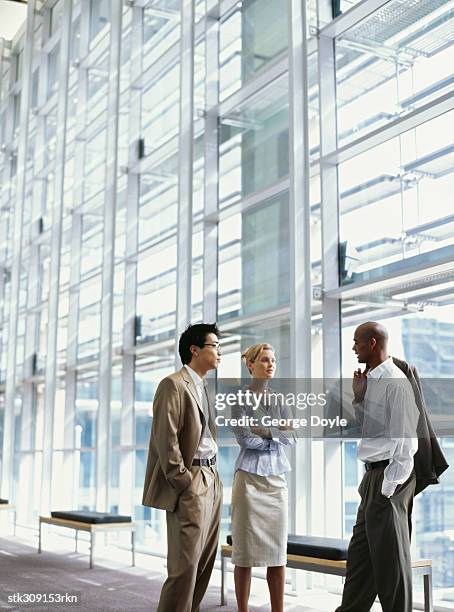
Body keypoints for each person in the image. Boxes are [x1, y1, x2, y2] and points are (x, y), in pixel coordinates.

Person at [336, 322, 419, 612]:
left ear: (372, 344)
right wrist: (359, 396)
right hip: (372, 477)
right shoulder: (372, 381)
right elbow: (371, 429)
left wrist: (387, 487)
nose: (353, 347)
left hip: (388, 478)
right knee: (360, 560)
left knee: (391, 567)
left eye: (357, 341)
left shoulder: (395, 382)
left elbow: (407, 442)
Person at [142, 323, 223, 612]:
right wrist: (184, 481)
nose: (219, 352)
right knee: (184, 566)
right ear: (195, 350)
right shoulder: (173, 384)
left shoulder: (204, 387)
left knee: (203, 562)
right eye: (214, 345)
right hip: (192, 479)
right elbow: (166, 438)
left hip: (212, 478)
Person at [231, 343, 296, 612]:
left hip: (276, 482)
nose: (271, 365)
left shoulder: (280, 400)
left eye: (274, 360)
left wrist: (265, 431)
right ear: (251, 365)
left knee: (278, 553)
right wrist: (276, 431)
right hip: (248, 482)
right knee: (244, 554)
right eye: (265, 360)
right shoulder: (238, 400)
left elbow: (292, 438)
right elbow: (244, 439)